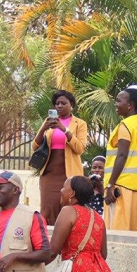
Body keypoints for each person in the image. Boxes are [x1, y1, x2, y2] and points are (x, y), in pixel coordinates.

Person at [104, 85, 137, 232]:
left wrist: (110, 185)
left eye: (118, 101)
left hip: (122, 187)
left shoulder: (126, 125)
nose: (116, 104)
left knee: (118, 234)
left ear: (130, 105)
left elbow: (121, 155)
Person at [33, 90, 88, 224]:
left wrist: (64, 130)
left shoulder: (80, 124)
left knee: (69, 206)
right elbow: (35, 147)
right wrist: (43, 129)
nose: (60, 106)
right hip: (49, 173)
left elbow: (80, 148)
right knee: (48, 207)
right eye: (57, 103)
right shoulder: (49, 122)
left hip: (70, 174)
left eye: (64, 103)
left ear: (72, 105)